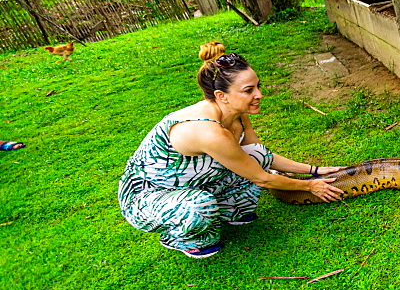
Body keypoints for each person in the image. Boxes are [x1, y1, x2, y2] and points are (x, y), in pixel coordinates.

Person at [118, 42, 344, 258]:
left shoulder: (236, 113)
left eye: (258, 86)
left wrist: (314, 169)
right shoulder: (209, 132)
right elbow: (262, 179)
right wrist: (309, 186)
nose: (259, 95)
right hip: (147, 198)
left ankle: (231, 210)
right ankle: (179, 237)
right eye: (248, 90)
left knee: (255, 153)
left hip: (187, 180)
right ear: (221, 96)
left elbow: (261, 157)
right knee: (199, 206)